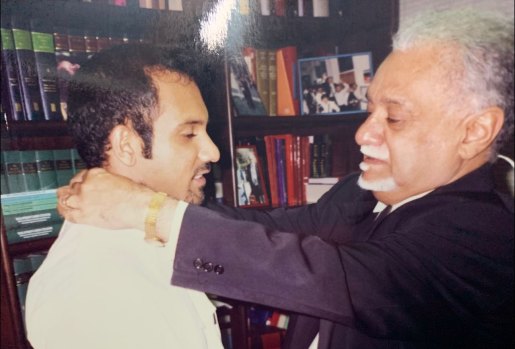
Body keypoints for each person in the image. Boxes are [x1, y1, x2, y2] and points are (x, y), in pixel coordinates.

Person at [57, 8, 514, 349]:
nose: (363, 132)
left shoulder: (481, 233)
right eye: (370, 107)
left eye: (393, 118)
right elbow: (279, 229)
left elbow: (320, 275)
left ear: (474, 132)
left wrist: (146, 209)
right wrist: (136, 200)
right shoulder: (367, 190)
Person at [25, 44, 223, 349]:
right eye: (189, 134)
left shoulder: (145, 243)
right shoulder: (93, 287)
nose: (213, 151)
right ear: (127, 145)